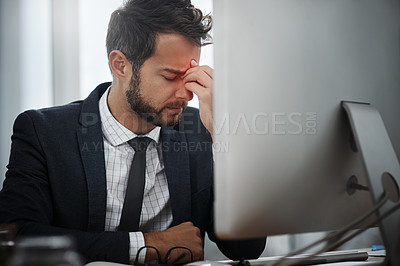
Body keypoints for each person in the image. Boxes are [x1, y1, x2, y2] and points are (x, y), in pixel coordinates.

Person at [0, 0, 266, 264]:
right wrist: (149, 244)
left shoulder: (202, 130)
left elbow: (246, 248)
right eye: (170, 76)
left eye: (190, 76)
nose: (187, 93)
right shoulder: (43, 131)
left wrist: (226, 139)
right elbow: (15, 236)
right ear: (120, 65)